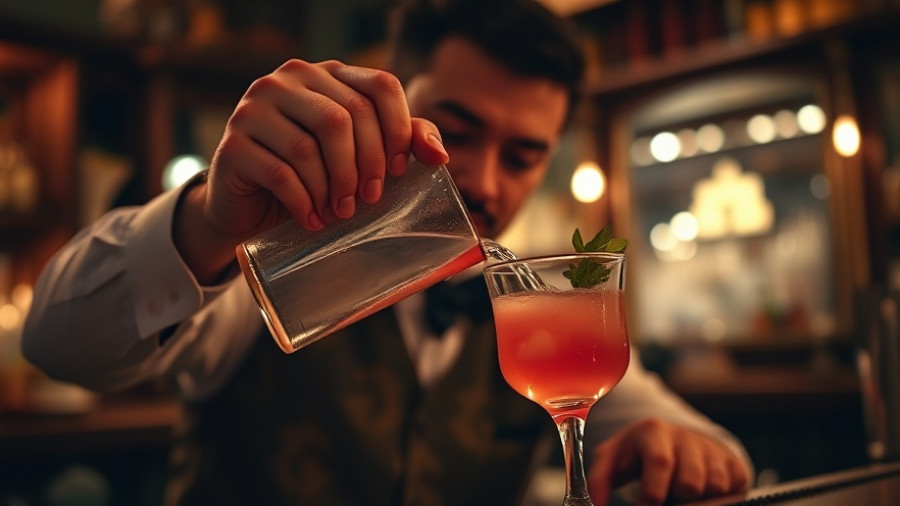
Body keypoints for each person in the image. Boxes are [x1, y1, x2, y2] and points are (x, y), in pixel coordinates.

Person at [23, 0, 753, 504]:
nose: (484, 180)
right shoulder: (273, 269)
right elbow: (59, 342)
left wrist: (685, 450)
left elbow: (699, 440)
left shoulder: (532, 304)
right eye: (457, 131)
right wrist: (213, 221)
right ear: (393, 94)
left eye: (524, 155)